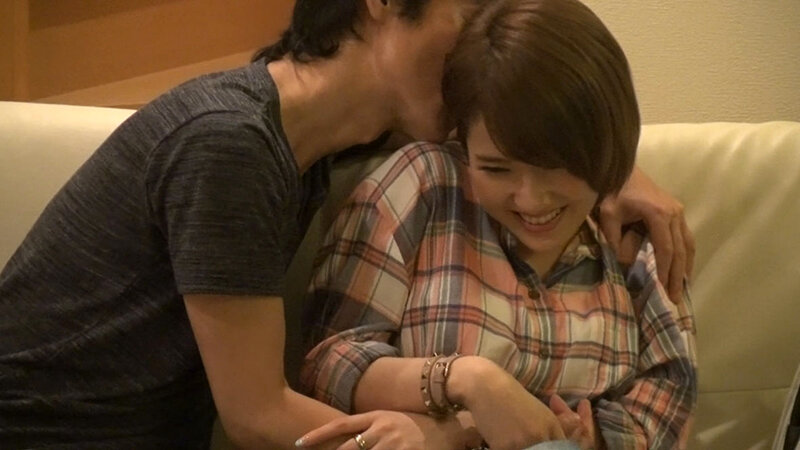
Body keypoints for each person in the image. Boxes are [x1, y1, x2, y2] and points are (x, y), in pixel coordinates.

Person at [0, 0, 692, 448]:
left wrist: (610, 167)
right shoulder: (231, 143)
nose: (477, 45)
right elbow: (257, 417)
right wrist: (452, 425)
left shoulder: (323, 135)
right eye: (467, 12)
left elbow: (530, 119)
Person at [297, 0, 697, 448]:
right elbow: (329, 362)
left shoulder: (635, 237)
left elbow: (669, 402)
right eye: (496, 169)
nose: (530, 199)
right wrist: (464, 381)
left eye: (555, 167)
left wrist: (590, 437)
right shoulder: (425, 186)